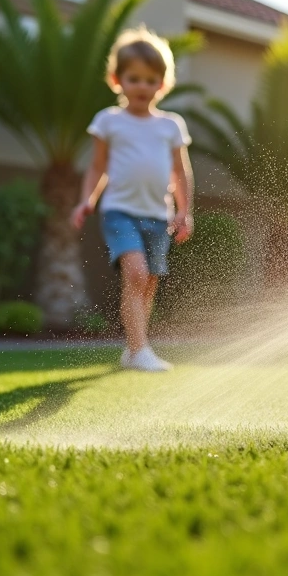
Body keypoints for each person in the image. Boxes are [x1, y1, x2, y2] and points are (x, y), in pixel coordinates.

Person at [70, 26, 195, 372]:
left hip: (158, 215)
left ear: (163, 84)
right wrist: (86, 201)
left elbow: (180, 173)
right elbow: (97, 168)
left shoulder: (170, 126)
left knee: (149, 282)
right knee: (137, 274)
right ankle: (141, 350)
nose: (142, 86)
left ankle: (132, 347)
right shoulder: (108, 121)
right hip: (119, 211)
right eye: (134, 78)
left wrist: (185, 211)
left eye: (150, 79)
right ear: (116, 79)